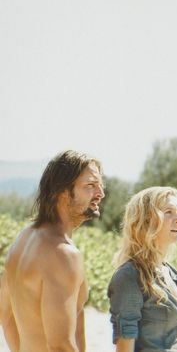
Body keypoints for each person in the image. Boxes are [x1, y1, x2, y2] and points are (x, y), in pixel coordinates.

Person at [0, 150, 105, 352]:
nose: (100, 193)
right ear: (63, 192)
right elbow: (60, 345)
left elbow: (6, 316)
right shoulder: (62, 254)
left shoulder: (22, 239)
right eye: (90, 185)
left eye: (100, 185)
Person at [108, 186, 177, 352]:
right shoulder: (129, 276)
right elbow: (125, 346)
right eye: (168, 211)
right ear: (146, 221)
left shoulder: (170, 272)